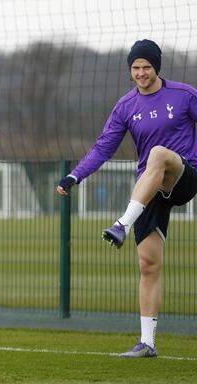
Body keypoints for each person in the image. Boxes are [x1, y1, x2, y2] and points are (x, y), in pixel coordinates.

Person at [57, 39, 197, 358]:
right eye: (135, 68)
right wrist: (74, 176)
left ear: (157, 67)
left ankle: (121, 224)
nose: (141, 73)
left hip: (184, 174)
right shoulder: (125, 106)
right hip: (148, 188)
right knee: (148, 265)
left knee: (159, 155)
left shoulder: (185, 95)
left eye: (146, 66)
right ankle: (147, 343)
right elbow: (103, 147)